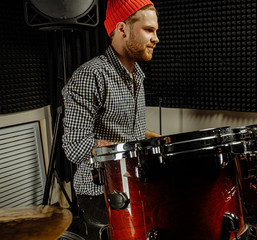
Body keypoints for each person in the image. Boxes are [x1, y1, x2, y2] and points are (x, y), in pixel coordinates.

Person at [61, 0, 160, 234]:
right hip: (99, 191)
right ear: (122, 29)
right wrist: (131, 150)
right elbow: (75, 146)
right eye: (148, 30)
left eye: (155, 31)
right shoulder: (91, 76)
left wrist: (156, 140)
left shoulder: (137, 75)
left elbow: (123, 129)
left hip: (132, 181)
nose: (156, 38)